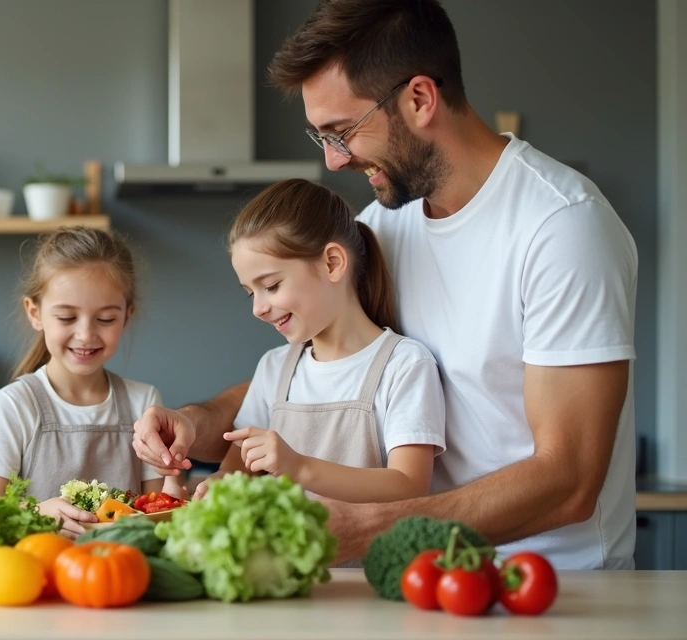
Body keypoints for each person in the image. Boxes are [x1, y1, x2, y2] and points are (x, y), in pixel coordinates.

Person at [133, 0, 637, 569]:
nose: (333, 160)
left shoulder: (561, 227)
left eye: (342, 131)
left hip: (549, 583)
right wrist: (196, 422)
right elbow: (315, 370)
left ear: (419, 99)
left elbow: (569, 480)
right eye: (321, 137)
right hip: (420, 571)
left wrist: (370, 530)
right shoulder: (381, 229)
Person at [195, 178, 444, 506]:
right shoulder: (274, 367)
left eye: (271, 286)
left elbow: (409, 486)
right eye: (250, 293)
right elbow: (235, 468)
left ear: (332, 263)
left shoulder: (404, 365)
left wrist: (300, 467)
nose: (258, 309)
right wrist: (218, 483)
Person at [0, 227, 170, 538]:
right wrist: (36, 512)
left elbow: (156, 512)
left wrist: (175, 478)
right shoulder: (14, 404)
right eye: (67, 318)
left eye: (105, 319)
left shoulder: (144, 402)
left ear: (126, 317)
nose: (86, 334)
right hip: (38, 563)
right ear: (35, 313)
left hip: (121, 563)